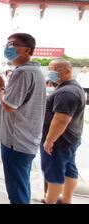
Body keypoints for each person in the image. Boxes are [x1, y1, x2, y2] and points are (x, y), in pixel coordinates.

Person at [0, 33, 46, 204]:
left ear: (27, 50)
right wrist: (4, 88)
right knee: (21, 184)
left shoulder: (23, 72)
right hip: (27, 139)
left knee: (16, 190)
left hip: (17, 142)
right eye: (7, 44)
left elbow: (9, 106)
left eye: (13, 44)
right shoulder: (34, 71)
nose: (8, 47)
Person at [40, 59, 85, 204]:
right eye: (50, 69)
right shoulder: (72, 87)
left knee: (54, 172)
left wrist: (49, 140)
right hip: (71, 138)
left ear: (67, 71)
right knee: (70, 168)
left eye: (55, 69)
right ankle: (66, 199)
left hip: (59, 141)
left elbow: (61, 119)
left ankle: (50, 201)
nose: (51, 73)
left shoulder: (66, 92)